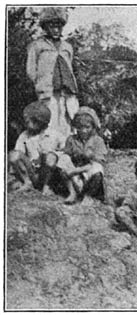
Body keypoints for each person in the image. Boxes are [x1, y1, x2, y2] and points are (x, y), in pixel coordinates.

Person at [26, 7, 79, 140]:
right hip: (48, 91)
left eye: (59, 26)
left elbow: (70, 65)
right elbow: (31, 70)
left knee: (69, 117)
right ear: (45, 27)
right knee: (50, 119)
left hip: (67, 90)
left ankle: (69, 150)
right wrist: (41, 85)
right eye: (52, 26)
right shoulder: (37, 46)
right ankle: (51, 153)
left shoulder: (67, 46)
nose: (56, 30)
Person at [8, 101, 65, 194]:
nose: (26, 124)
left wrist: (52, 154)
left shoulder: (55, 135)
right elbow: (18, 152)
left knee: (51, 157)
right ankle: (27, 183)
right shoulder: (25, 135)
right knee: (13, 155)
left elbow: (66, 151)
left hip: (48, 172)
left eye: (28, 122)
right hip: (32, 171)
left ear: (38, 121)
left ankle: (47, 186)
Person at [57, 107, 107, 204]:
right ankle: (72, 192)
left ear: (93, 127)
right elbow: (67, 155)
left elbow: (99, 161)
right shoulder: (72, 139)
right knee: (63, 159)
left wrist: (89, 157)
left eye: (87, 127)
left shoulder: (97, 140)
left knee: (98, 168)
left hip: (88, 173)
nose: (83, 131)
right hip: (75, 175)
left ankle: (88, 196)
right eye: (80, 127)